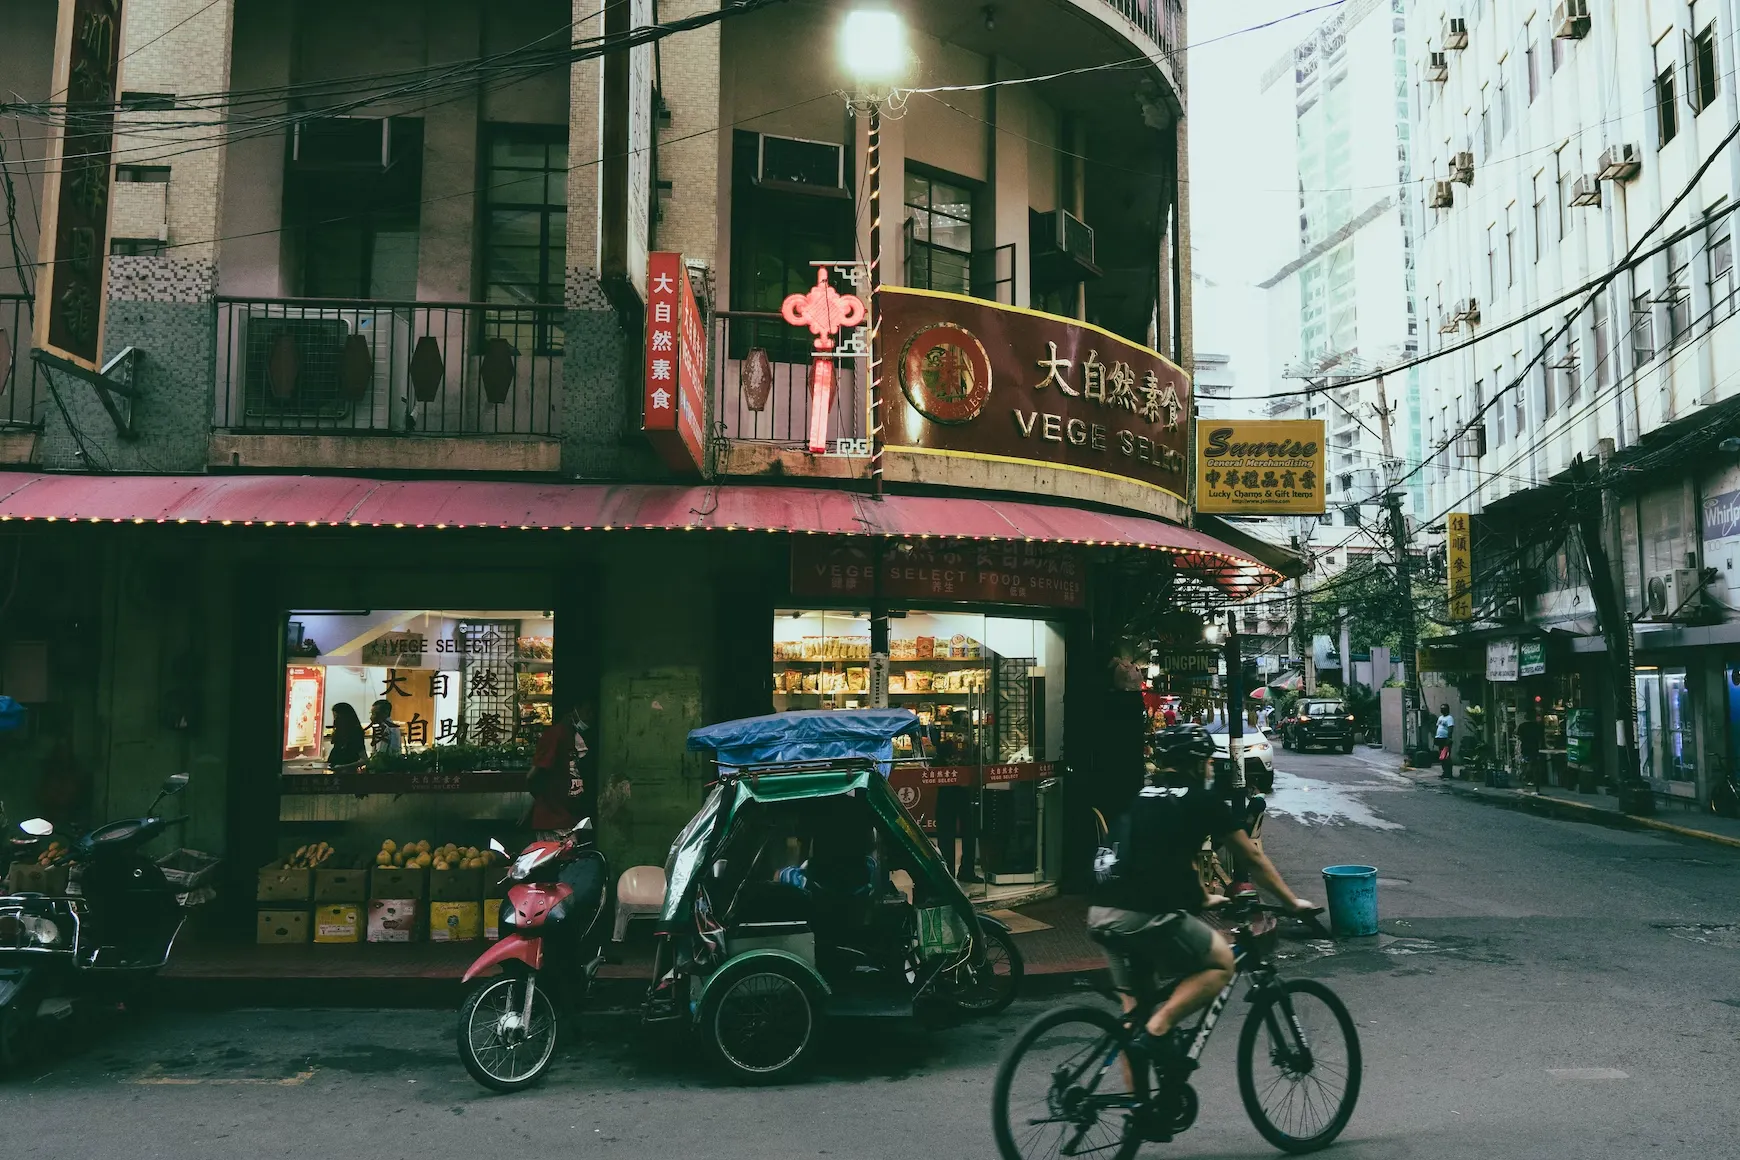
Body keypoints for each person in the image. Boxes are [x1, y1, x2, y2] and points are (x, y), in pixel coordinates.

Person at [1090, 723, 1315, 1078]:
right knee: (1221, 963)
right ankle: (1160, 1028)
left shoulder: (1143, 796)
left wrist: (1201, 897)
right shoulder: (1201, 800)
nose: (1211, 768)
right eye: (1209, 761)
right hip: (1144, 913)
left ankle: (1141, 1114)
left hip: (1101, 910)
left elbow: (1171, 855)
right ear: (1198, 764)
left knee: (1132, 1019)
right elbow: (1253, 859)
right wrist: (1290, 902)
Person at [526, 695, 592, 838]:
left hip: (567, 817)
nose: (590, 717)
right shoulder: (555, 735)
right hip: (554, 819)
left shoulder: (575, 736)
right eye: (587, 711)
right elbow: (533, 775)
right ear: (576, 709)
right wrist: (547, 800)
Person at [931, 710, 980, 883]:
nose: (966, 727)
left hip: (957, 793)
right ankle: (952, 871)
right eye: (964, 723)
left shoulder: (962, 746)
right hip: (953, 792)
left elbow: (934, 764)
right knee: (953, 833)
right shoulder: (971, 746)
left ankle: (958, 871)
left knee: (965, 832)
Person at [327, 703, 366, 770]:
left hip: (347, 775)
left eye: (336, 717)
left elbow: (364, 759)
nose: (335, 721)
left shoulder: (355, 734)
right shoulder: (340, 733)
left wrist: (342, 767)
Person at [1435, 704, 1456, 779]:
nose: (1442, 710)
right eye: (1441, 709)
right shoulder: (1440, 718)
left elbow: (1450, 729)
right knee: (1442, 756)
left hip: (1445, 739)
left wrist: (1448, 738)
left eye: (1444, 709)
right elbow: (1438, 727)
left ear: (1447, 710)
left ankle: (1449, 773)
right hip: (1440, 738)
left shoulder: (1449, 718)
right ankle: (1444, 772)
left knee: (1446, 756)